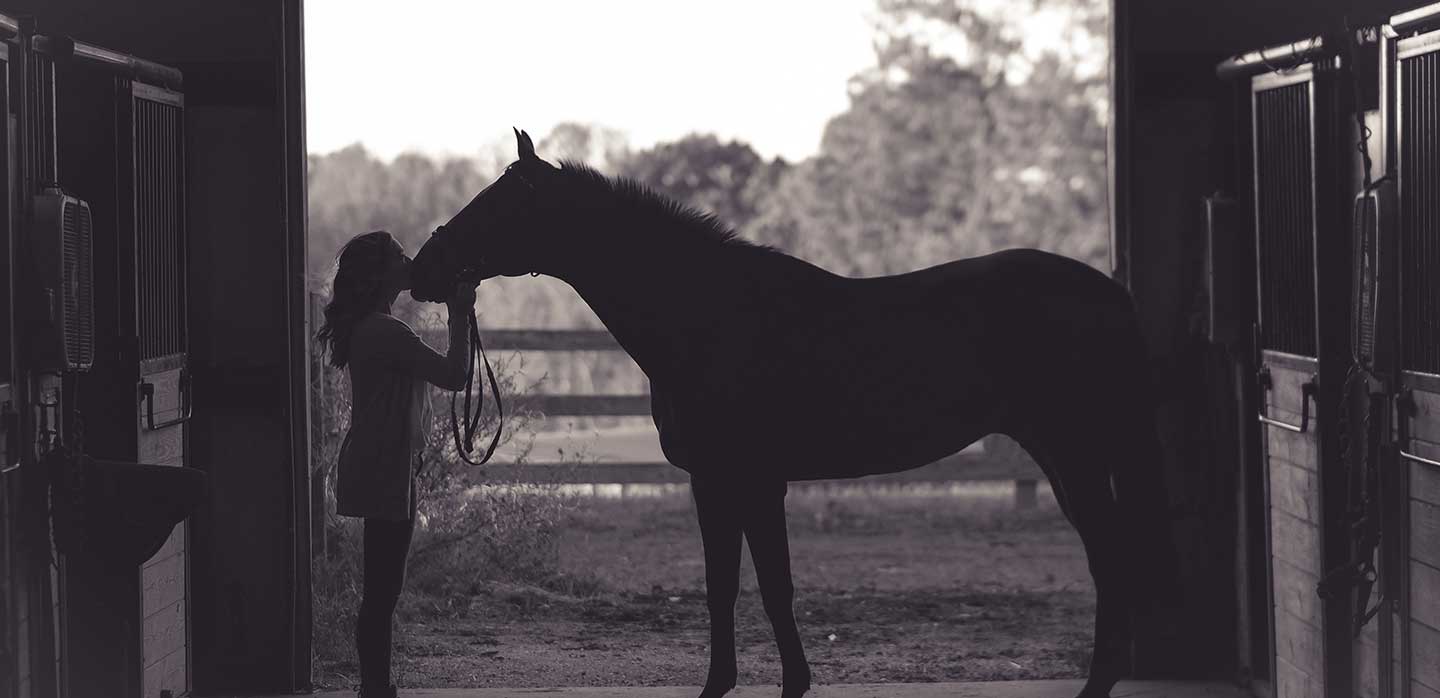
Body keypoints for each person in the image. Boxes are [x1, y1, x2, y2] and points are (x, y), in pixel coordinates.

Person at [314, 230, 475, 698]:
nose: (408, 261)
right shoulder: (386, 332)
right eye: (400, 256)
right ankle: (375, 689)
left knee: (382, 589)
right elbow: (454, 374)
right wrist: (460, 316)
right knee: (383, 592)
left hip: (381, 461)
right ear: (382, 274)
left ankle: (375, 686)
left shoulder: (371, 328)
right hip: (385, 464)